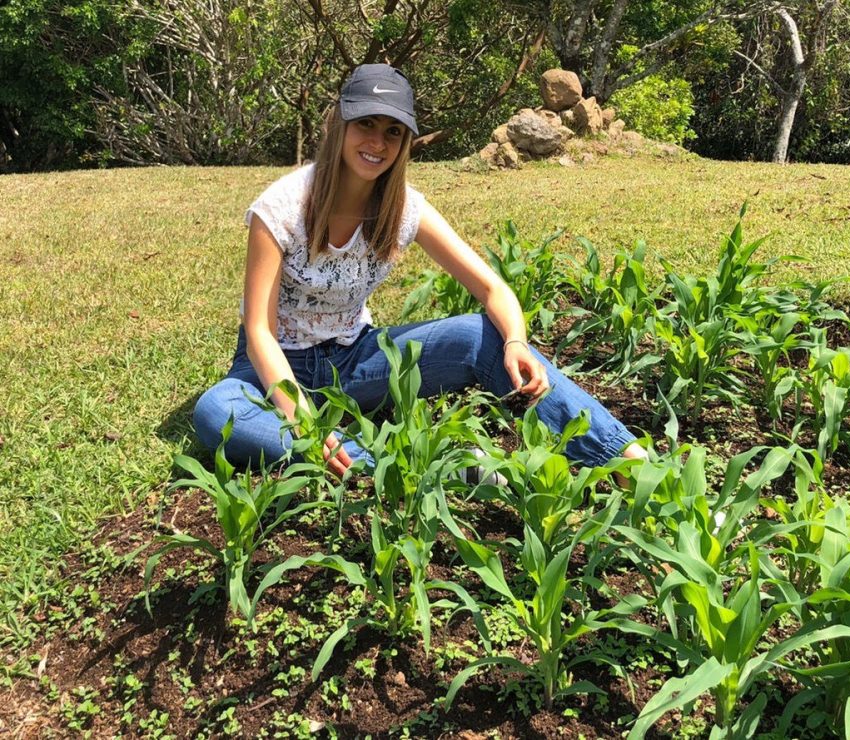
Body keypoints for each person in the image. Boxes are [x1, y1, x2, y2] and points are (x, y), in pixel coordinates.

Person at [192, 63, 646, 476]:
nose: (377, 142)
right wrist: (302, 419)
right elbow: (259, 333)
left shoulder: (404, 208)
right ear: (339, 124)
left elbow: (492, 289)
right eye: (365, 124)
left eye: (392, 131)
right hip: (272, 367)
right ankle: (420, 467)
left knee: (479, 335)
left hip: (355, 360)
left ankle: (629, 461)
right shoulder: (282, 208)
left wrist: (515, 342)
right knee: (216, 412)